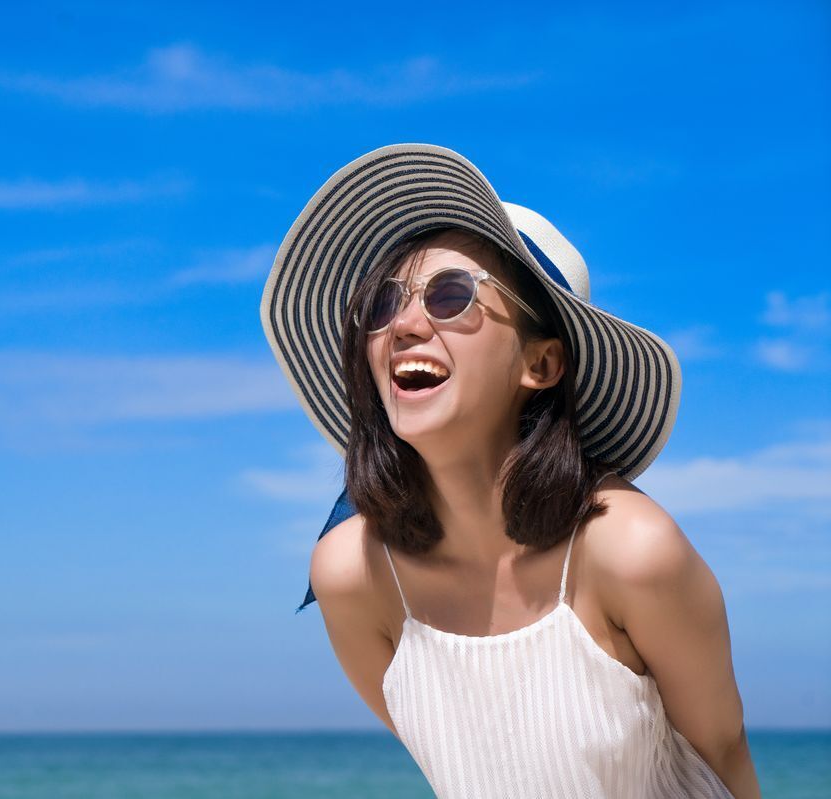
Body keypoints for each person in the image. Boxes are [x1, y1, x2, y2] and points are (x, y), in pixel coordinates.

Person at [259, 144, 760, 798]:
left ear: (542, 365)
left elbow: (723, 755)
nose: (405, 323)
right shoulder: (350, 575)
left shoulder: (630, 552)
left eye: (451, 294)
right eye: (383, 303)